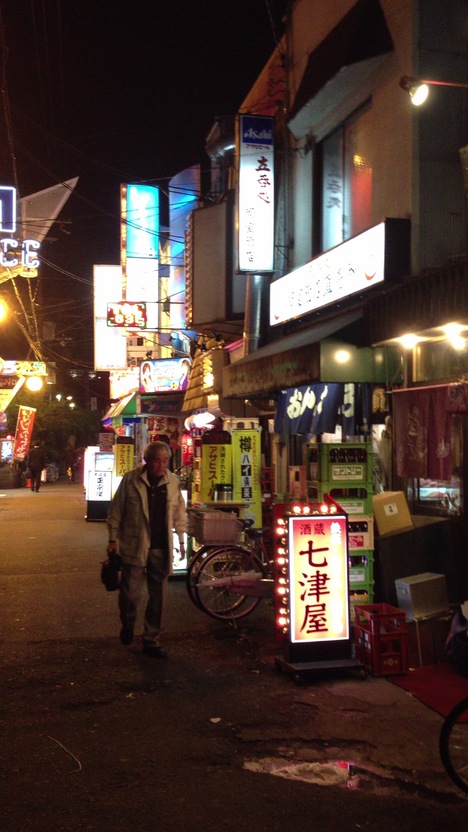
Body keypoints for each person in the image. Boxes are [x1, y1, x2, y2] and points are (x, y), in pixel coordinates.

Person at [106, 441, 187, 658]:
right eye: (156, 460)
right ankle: (128, 622)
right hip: (135, 544)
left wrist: (181, 539)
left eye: (165, 461)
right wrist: (112, 539)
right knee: (130, 594)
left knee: (158, 596)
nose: (161, 465)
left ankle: (152, 639)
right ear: (147, 460)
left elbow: (179, 513)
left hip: (161, 546)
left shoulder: (172, 482)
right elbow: (116, 510)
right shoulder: (131, 480)